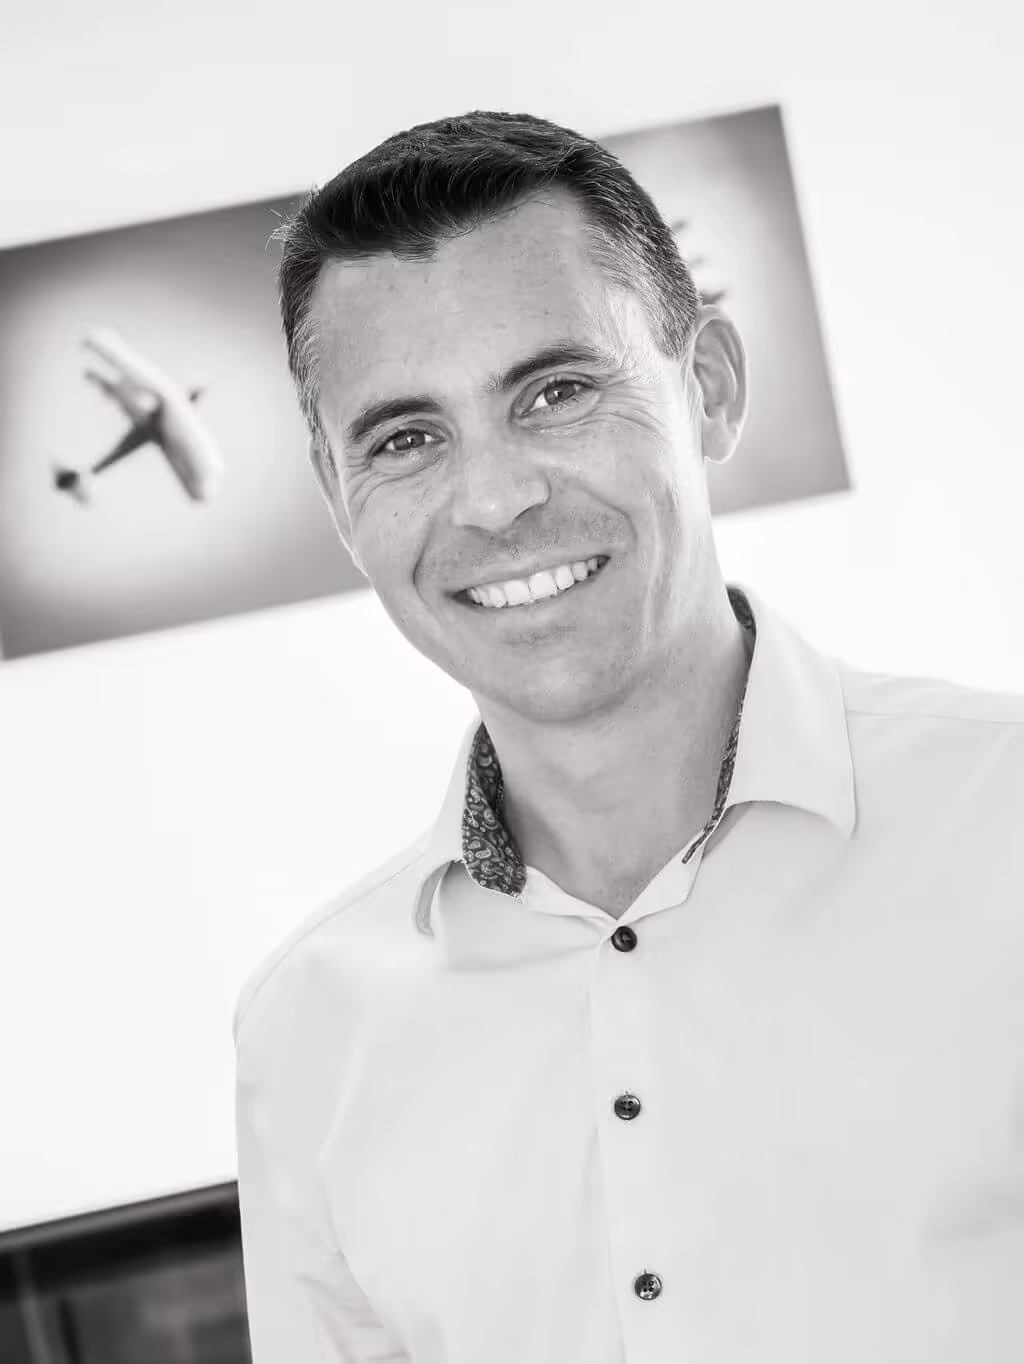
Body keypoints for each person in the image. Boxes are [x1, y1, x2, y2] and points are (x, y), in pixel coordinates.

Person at [232, 110, 1024, 1364]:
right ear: (340, 498)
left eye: (554, 392)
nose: (497, 498)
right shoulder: (307, 1032)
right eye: (407, 439)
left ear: (708, 387)